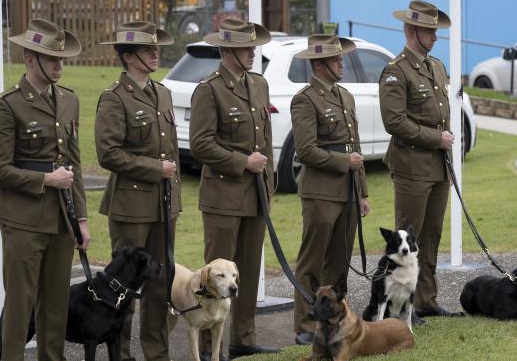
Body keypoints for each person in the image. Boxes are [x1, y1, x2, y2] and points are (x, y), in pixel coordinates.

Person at [0, 18, 90, 361]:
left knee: (56, 304)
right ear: (30, 59)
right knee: (20, 304)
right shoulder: (8, 105)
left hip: (61, 220)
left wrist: (82, 221)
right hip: (23, 220)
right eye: (51, 59)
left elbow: (73, 164)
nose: (59, 66)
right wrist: (44, 180)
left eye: (61, 59)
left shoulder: (69, 100)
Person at [189, 18, 280, 360]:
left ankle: (244, 338)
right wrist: (243, 162)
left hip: (255, 195)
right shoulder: (209, 89)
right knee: (217, 278)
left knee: (248, 270)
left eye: (253, 47)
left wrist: (268, 184)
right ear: (227, 50)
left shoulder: (258, 84)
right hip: (223, 197)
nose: (253, 53)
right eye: (245, 48)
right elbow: (200, 144)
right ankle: (214, 348)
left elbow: (266, 141)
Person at [95, 21, 181, 361]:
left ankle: (157, 354)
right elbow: (108, 154)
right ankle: (122, 354)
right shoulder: (115, 98)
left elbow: (170, 149)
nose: (155, 54)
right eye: (148, 50)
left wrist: (173, 193)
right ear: (128, 57)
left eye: (156, 48)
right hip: (130, 205)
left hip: (163, 205)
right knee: (124, 288)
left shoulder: (162, 93)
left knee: (160, 284)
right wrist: (154, 169)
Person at [379, 0, 463, 323]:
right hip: (412, 167)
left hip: (439, 166)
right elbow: (394, 121)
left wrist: (445, 143)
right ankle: (400, 307)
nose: (435, 37)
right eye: (430, 31)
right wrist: (435, 138)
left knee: (431, 236)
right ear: (412, 31)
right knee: (406, 240)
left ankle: (426, 299)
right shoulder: (396, 71)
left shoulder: (436, 66)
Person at [290, 34, 370, 345]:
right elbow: (306, 150)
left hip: (347, 191)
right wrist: (343, 162)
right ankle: (305, 325)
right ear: (320, 64)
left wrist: (362, 191)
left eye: (341, 59)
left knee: (338, 265)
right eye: (336, 60)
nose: (342, 65)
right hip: (321, 192)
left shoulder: (345, 96)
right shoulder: (305, 99)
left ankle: (334, 321)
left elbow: (356, 147)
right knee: (312, 263)